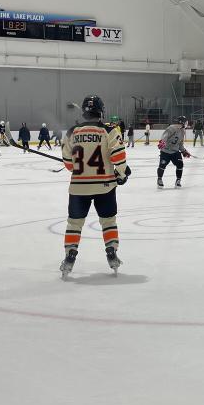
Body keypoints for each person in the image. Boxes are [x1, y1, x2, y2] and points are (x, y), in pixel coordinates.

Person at [59, 95, 130, 278]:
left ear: (83, 111)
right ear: (101, 111)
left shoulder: (71, 132)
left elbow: (68, 165)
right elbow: (118, 158)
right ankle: (112, 252)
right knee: (108, 221)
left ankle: (70, 255)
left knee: (74, 224)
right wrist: (122, 174)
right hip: (105, 187)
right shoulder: (110, 131)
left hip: (78, 188)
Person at [157, 115, 191, 188]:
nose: (186, 124)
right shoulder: (171, 128)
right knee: (162, 165)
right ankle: (159, 179)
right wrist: (162, 142)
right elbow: (165, 136)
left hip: (175, 152)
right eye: (185, 122)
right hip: (165, 151)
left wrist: (184, 151)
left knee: (180, 164)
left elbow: (180, 143)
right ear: (181, 122)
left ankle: (178, 180)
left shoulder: (183, 131)